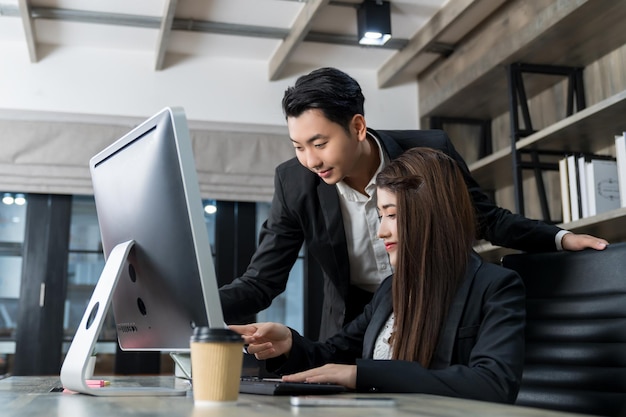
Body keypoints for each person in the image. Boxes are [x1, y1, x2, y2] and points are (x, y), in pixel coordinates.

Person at [219, 67, 607, 339]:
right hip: (354, 326)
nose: (310, 160)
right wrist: (194, 306)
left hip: (438, 306)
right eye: (298, 146)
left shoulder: (428, 151)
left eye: (320, 143)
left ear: (357, 126)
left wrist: (558, 239)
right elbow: (261, 281)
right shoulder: (294, 182)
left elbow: (484, 219)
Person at [230, 148, 525, 402]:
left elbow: (492, 384)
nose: (381, 231)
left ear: (432, 213)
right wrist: (289, 344)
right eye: (380, 215)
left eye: (392, 215)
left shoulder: (495, 286)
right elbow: (335, 355)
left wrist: (363, 375)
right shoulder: (390, 290)